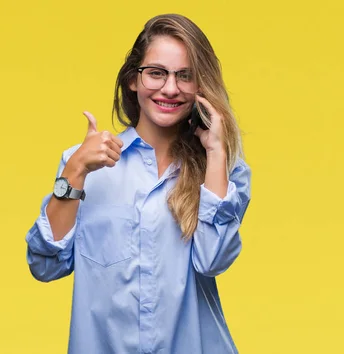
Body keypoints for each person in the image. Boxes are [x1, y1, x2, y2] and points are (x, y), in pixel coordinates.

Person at [24, 13, 251, 354]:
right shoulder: (86, 166)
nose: (170, 88)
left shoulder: (223, 170)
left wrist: (217, 152)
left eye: (184, 76)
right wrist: (74, 172)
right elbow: (45, 266)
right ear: (133, 79)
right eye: (156, 73)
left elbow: (212, 260)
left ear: (200, 86)